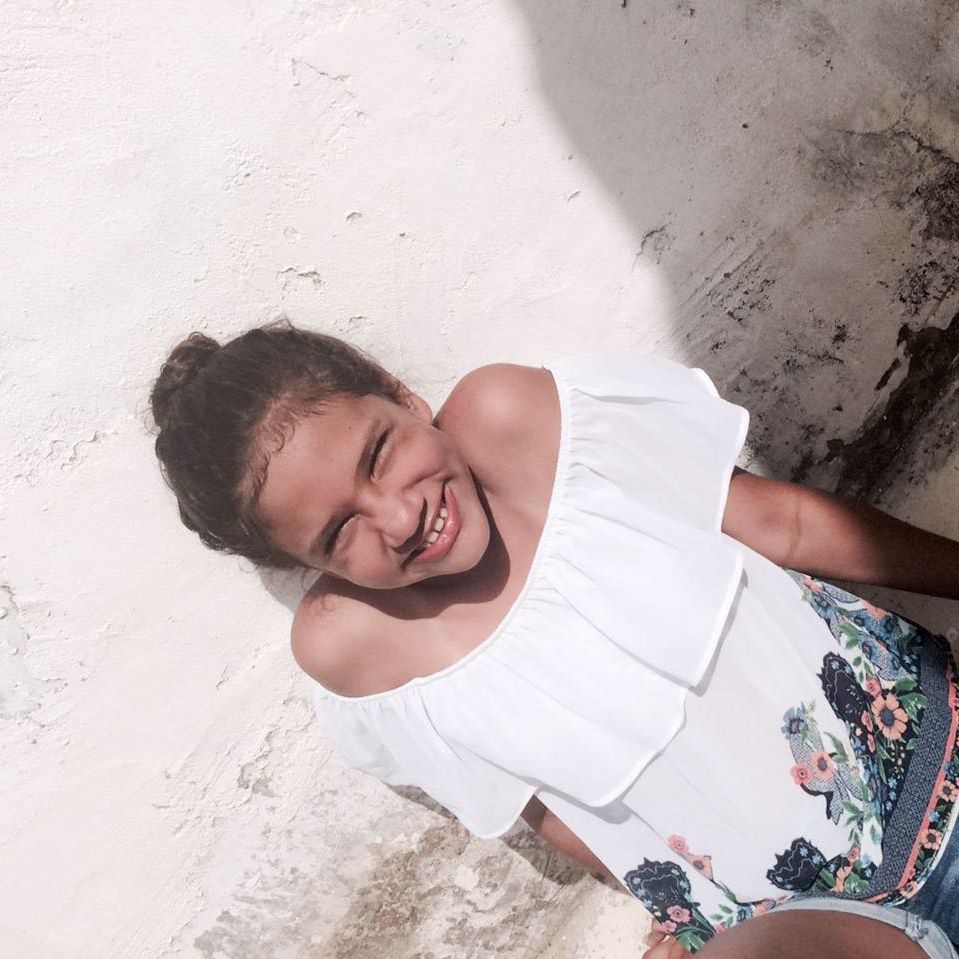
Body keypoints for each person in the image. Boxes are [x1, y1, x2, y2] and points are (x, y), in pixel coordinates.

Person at [151, 320, 959, 958]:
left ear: (401, 394)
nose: (398, 517)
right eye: (337, 532)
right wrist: (681, 911)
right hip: (798, 923)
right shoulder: (361, 652)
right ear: (302, 566)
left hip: (937, 768)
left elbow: (780, 522)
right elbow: (545, 808)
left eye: (380, 453)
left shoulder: (518, 422)